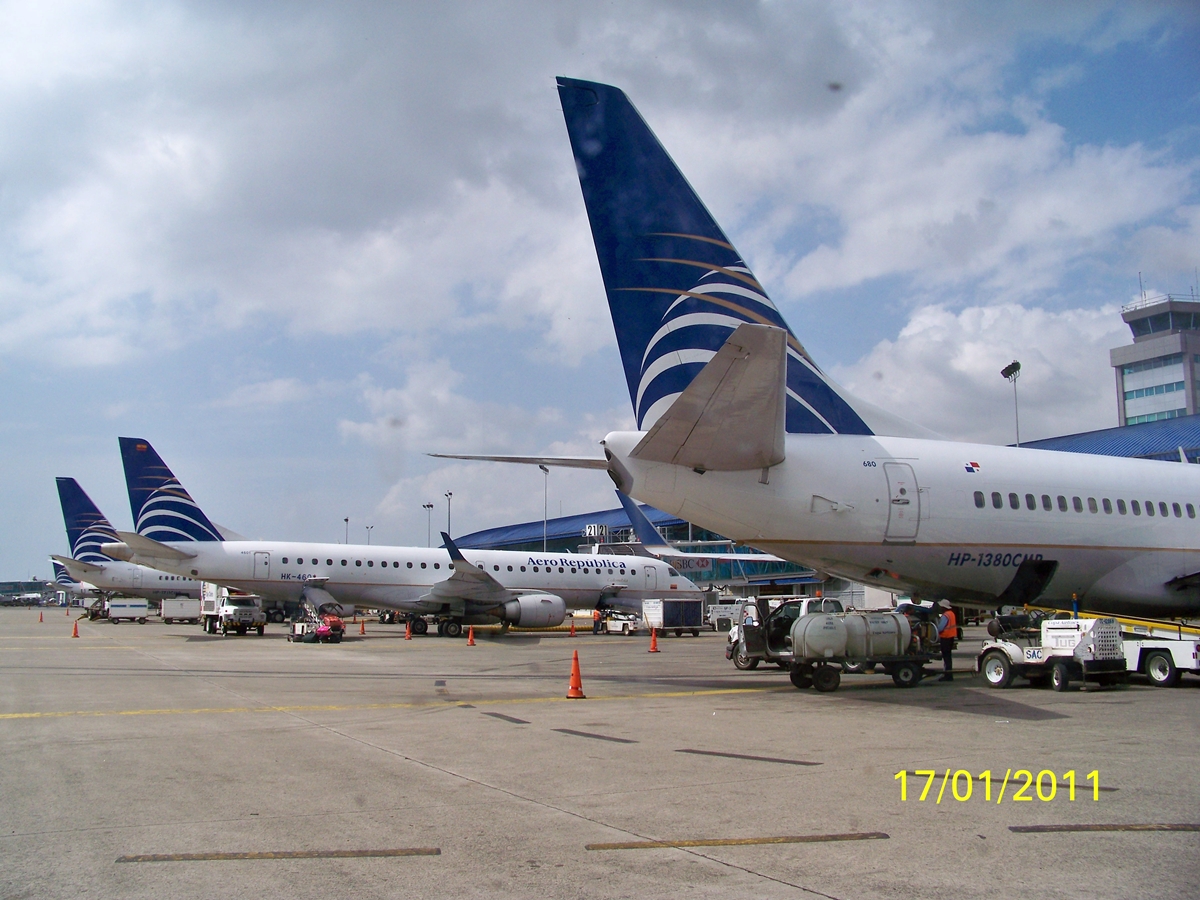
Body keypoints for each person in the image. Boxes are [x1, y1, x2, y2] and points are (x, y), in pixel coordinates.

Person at [935, 600, 957, 682]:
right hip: (951, 637)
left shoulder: (945, 615)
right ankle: (949, 674)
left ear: (944, 607)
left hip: (945, 638)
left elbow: (940, 628)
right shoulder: (951, 614)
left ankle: (947, 675)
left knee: (946, 657)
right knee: (948, 657)